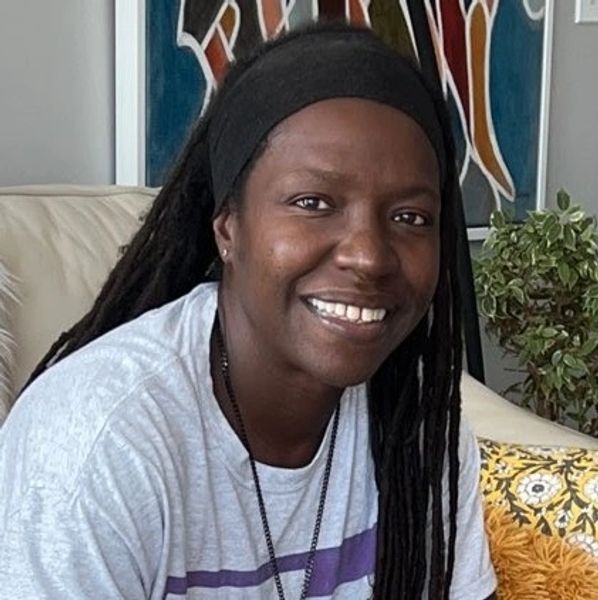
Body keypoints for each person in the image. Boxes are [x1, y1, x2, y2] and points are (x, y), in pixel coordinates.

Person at [0, 22, 496, 599]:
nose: (368, 256)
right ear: (227, 228)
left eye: (410, 217)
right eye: (313, 202)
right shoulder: (97, 444)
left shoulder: (418, 421)